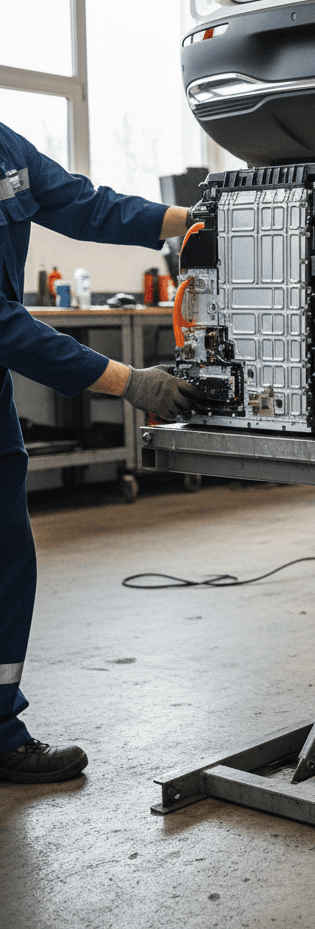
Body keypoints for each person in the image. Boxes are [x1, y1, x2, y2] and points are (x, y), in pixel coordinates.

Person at [0, 122, 203, 784]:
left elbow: (87, 204)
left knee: (6, 565)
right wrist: (129, 382)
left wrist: (193, 219)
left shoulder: (6, 146)